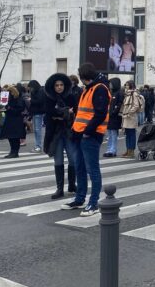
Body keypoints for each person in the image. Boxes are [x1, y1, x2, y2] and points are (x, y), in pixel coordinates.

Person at [62, 63, 111, 216]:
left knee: (92, 170)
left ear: (84, 77)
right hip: (80, 133)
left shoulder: (99, 88)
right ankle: (80, 198)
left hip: (90, 134)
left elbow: (100, 113)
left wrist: (88, 131)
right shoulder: (88, 88)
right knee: (80, 168)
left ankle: (93, 203)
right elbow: (83, 111)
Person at [43, 73, 77, 199]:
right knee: (58, 160)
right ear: (53, 86)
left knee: (73, 159)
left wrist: (60, 114)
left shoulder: (71, 97)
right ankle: (59, 189)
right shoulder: (49, 98)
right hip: (55, 133)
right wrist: (65, 112)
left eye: (61, 85)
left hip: (69, 132)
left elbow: (76, 111)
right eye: (57, 85)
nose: (59, 87)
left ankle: (72, 185)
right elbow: (49, 112)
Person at [0, 85, 26, 158]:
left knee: (15, 137)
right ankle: (12, 151)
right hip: (10, 119)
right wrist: (3, 108)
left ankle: (15, 152)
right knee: (10, 137)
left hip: (16, 120)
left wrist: (9, 108)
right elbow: (5, 108)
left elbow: (19, 109)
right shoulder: (9, 99)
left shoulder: (19, 99)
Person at [120, 80, 144, 158]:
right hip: (126, 116)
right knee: (127, 134)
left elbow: (136, 105)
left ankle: (131, 151)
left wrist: (130, 112)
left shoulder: (134, 93)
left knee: (131, 134)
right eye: (125, 85)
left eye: (127, 85)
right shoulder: (127, 94)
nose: (126, 86)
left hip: (131, 117)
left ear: (131, 86)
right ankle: (128, 150)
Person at [103, 78, 123, 158]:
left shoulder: (119, 93)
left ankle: (113, 150)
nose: (110, 85)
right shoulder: (111, 93)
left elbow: (119, 104)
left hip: (115, 117)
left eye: (111, 83)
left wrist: (114, 112)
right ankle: (109, 149)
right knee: (109, 134)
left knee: (114, 134)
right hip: (110, 117)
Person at [27, 80, 46, 153]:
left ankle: (38, 146)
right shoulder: (34, 92)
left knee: (38, 130)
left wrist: (31, 100)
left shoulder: (40, 91)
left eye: (31, 87)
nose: (30, 89)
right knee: (36, 130)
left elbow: (40, 101)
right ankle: (37, 145)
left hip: (39, 112)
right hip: (35, 112)